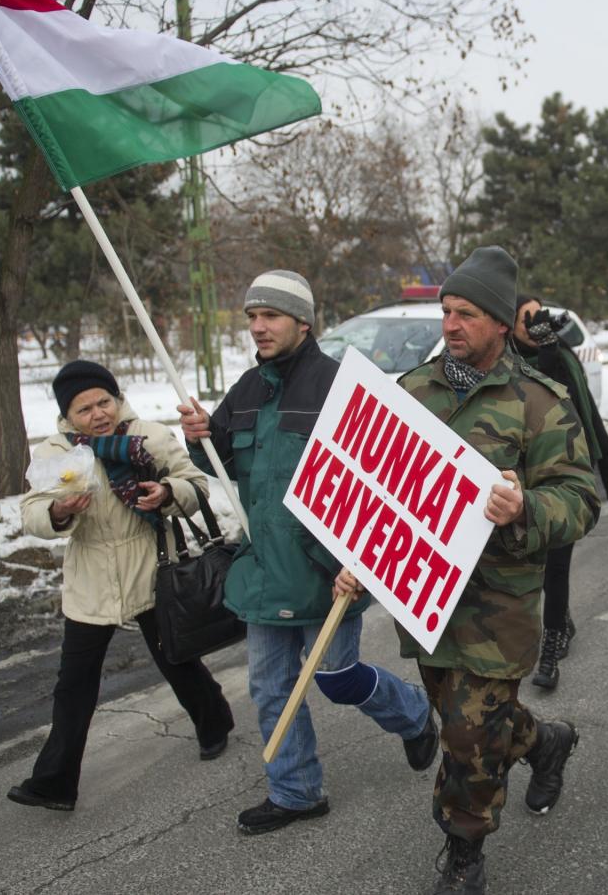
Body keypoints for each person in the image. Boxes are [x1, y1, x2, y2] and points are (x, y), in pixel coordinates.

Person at [332, 245, 598, 894]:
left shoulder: (538, 400)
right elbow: (378, 492)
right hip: (424, 598)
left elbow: (581, 497)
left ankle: (464, 847)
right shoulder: (410, 392)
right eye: (447, 311)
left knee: (467, 735)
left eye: (468, 314)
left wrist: (524, 506)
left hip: (497, 605)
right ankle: (545, 742)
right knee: (471, 722)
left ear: (501, 324)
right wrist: (356, 556)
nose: (451, 324)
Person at [178, 270, 436, 835]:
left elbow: (384, 488)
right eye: (251, 316)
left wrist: (363, 560)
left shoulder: (340, 388)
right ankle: (296, 792)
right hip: (266, 569)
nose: (258, 327)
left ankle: (415, 714)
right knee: (270, 687)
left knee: (336, 678)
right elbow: (224, 466)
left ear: (303, 321)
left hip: (329, 571)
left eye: (270, 316)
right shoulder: (247, 389)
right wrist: (203, 438)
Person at [12, 360, 235, 812]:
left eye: (103, 402)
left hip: (151, 568)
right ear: (67, 417)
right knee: (74, 685)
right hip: (90, 579)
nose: (98, 414)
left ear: (116, 399)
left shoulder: (149, 436)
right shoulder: (57, 453)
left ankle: (214, 722)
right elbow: (32, 509)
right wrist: (59, 513)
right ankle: (54, 782)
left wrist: (168, 494)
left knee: (176, 659)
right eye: (84, 409)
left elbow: (197, 484)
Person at [512, 293, 608, 689]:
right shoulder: (509, 361)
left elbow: (584, 407)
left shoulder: (560, 351)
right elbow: (537, 390)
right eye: (526, 318)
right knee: (538, 564)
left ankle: (550, 650)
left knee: (557, 564)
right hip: (526, 477)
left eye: (539, 315)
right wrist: (543, 350)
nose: (535, 322)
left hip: (568, 469)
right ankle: (562, 621)